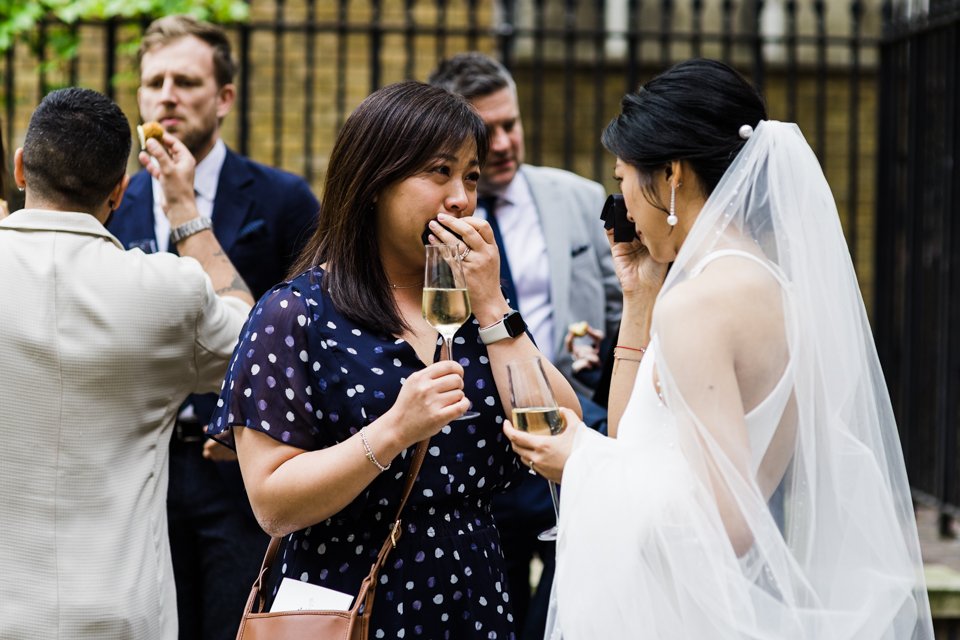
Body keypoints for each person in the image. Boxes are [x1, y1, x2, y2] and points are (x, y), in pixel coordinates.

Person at [504, 58, 934, 639]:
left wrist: (580, 463)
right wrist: (639, 297)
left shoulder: (701, 305)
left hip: (675, 612)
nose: (623, 202)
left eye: (623, 177)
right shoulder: (766, 285)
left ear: (672, 175)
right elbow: (637, 439)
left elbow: (728, 521)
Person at [207, 80, 580, 639]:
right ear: (375, 182)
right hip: (350, 602)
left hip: (474, 599)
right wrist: (394, 431)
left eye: (470, 176)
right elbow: (271, 502)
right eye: (439, 172)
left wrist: (494, 303)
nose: (460, 197)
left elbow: (559, 427)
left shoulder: (475, 311)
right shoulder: (295, 314)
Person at [0, 87, 253, 639]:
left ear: (22, 169)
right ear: (120, 189)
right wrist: (186, 213)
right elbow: (251, 341)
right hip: (123, 615)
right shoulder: (166, 292)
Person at [106, 15, 319, 639]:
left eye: (185, 81)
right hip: (141, 470)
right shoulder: (115, 199)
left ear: (224, 97)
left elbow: (313, 329)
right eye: (154, 83)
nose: (166, 95)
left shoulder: (281, 198)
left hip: (237, 473)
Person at [428, 52, 621, 639]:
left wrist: (598, 360)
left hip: (569, 422)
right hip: (481, 446)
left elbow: (617, 301)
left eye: (511, 124)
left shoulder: (578, 196)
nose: (506, 143)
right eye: (489, 132)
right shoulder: (434, 216)